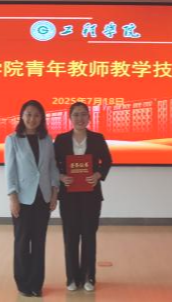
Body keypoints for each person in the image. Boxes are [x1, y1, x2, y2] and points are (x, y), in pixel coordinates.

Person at [54, 102, 112, 292]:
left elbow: (107, 161)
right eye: (76, 115)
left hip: (91, 196)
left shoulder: (97, 138)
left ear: (89, 117)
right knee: (70, 237)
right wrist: (61, 177)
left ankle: (89, 277)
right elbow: (51, 164)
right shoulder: (61, 139)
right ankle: (72, 277)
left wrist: (98, 175)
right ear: (70, 118)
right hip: (69, 196)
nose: (80, 118)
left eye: (84, 114)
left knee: (88, 236)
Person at [4, 99, 59, 298]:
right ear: (22, 116)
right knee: (21, 242)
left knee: (39, 242)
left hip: (43, 198)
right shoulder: (12, 139)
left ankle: (36, 284)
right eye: (28, 114)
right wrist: (13, 197)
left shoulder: (47, 139)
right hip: (22, 199)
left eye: (36, 115)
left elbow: (52, 167)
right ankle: (23, 283)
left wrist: (54, 194)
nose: (32, 119)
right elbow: (10, 171)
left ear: (42, 118)